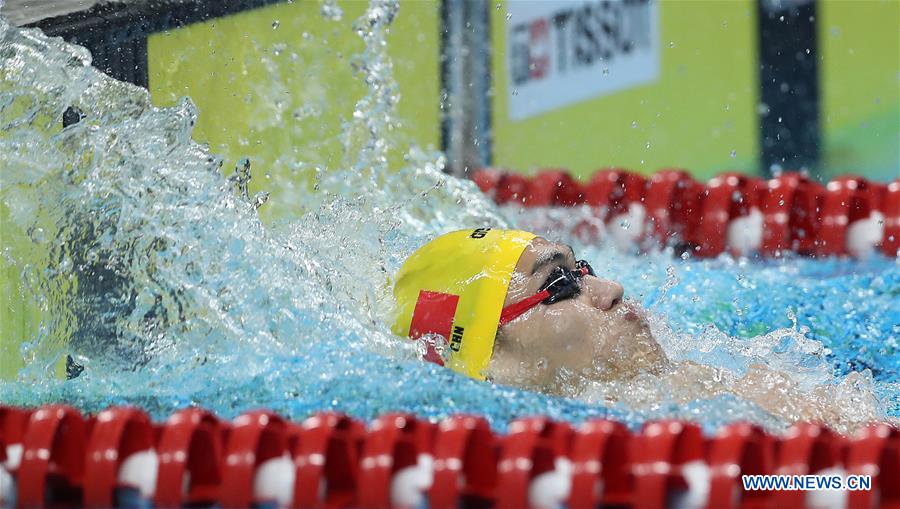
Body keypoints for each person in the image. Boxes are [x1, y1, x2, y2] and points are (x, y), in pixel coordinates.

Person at [392, 228, 881, 431]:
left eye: (581, 270)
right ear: (494, 359)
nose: (611, 289)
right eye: (560, 284)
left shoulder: (719, 392)